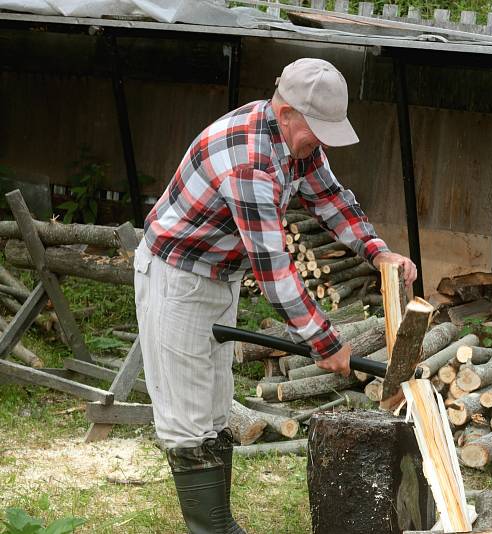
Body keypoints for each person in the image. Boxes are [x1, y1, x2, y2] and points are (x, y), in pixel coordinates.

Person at [133, 58, 417, 533]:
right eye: (317, 129)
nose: (322, 142)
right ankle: (214, 529)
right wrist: (325, 342)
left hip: (217, 276)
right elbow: (273, 269)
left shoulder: (296, 144)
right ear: (286, 112)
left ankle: (219, 523)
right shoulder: (248, 158)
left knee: (214, 407)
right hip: (177, 276)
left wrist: (378, 252)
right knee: (188, 420)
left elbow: (331, 198)